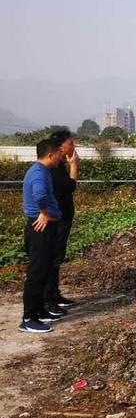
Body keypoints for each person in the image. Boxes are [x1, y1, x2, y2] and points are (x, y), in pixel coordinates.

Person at [19, 139, 64, 333]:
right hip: (40, 229)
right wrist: (45, 213)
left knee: (44, 270)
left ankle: (39, 310)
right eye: (60, 154)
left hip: (46, 228)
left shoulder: (42, 171)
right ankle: (28, 318)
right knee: (36, 274)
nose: (62, 157)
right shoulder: (38, 173)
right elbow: (39, 195)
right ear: (51, 155)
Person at [46, 129, 79, 313]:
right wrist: (74, 165)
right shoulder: (54, 167)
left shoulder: (58, 165)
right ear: (61, 146)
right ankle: (48, 299)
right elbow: (70, 186)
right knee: (53, 257)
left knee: (57, 257)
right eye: (71, 144)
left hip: (63, 216)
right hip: (57, 218)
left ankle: (54, 294)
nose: (73, 147)